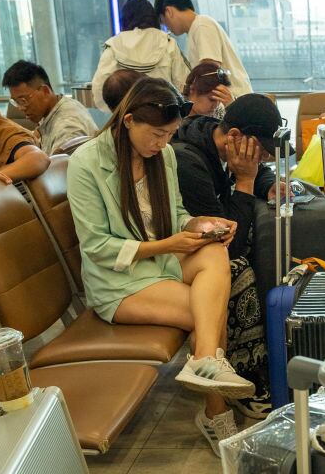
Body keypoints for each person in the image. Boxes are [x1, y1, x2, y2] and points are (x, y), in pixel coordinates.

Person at [67, 77, 251, 452]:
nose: (163, 144)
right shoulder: (86, 163)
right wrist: (170, 243)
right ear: (129, 120)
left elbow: (177, 213)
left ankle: (203, 361)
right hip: (118, 281)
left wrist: (199, 225)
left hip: (160, 261)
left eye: (169, 134)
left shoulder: (163, 156)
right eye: (156, 134)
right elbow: (98, 247)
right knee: (207, 312)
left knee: (216, 251)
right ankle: (215, 412)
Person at [171, 93, 281, 418]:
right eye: (259, 151)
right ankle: (245, 373)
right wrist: (245, 181)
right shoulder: (187, 162)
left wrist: (269, 183)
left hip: (197, 252)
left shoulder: (212, 137)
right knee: (240, 269)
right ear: (234, 136)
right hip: (178, 255)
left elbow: (257, 171)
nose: (262, 159)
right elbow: (224, 243)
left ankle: (251, 367)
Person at [90, 0, 189, 113]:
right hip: (164, 115)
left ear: (124, 19)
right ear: (153, 17)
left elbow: (99, 89)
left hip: (127, 117)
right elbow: (183, 84)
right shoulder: (168, 42)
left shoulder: (114, 45)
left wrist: (118, 112)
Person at [154, 0, 252, 98]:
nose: (167, 27)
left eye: (163, 21)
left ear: (169, 12)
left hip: (234, 100)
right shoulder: (195, 29)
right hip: (228, 100)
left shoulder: (202, 25)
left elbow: (210, 71)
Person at [1, 60, 98, 154]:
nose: (20, 108)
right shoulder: (53, 109)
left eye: (23, 100)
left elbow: (60, 168)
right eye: (16, 102)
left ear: (45, 91)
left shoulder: (67, 128)